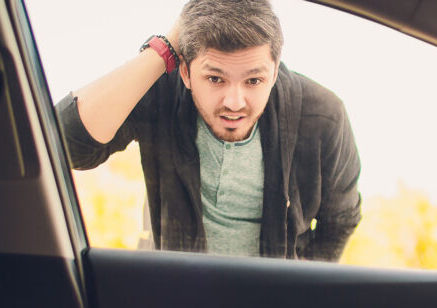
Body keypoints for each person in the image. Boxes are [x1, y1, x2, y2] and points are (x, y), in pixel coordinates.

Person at [56, 0, 362, 261]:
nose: (234, 102)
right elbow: (66, 147)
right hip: (176, 304)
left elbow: (340, 221)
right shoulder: (161, 91)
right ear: (186, 72)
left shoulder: (323, 115)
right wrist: (163, 48)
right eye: (215, 79)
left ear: (274, 68)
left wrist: (293, 292)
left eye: (253, 81)